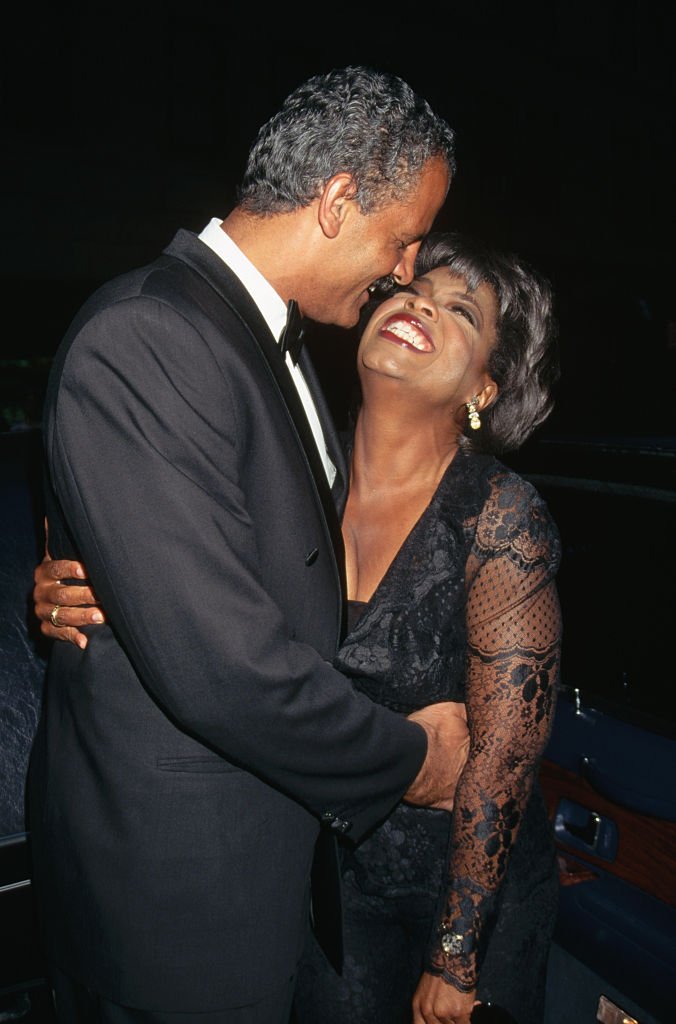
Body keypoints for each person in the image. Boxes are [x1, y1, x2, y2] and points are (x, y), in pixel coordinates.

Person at [28, 67, 471, 1024]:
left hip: (265, 884)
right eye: (403, 238)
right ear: (338, 200)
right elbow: (224, 665)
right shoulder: (149, 333)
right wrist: (410, 761)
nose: (404, 268)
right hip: (172, 908)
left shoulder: (278, 345)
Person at [36, 231, 562, 1024]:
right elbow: (188, 594)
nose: (419, 301)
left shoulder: (501, 517)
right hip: (313, 894)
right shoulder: (298, 466)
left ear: (484, 387)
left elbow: (499, 765)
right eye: (413, 288)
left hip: (452, 906)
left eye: (461, 310)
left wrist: (454, 957)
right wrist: (68, 585)